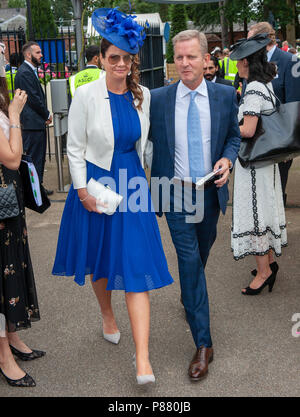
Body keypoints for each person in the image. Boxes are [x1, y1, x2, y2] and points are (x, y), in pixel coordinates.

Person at [52, 8, 173, 386]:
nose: (120, 64)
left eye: (126, 58)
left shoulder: (144, 95)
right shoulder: (85, 93)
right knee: (100, 258)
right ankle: (106, 313)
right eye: (113, 57)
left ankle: (142, 359)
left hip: (132, 183)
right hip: (95, 184)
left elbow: (142, 146)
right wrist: (82, 190)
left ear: (132, 59)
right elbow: (75, 147)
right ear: (101, 58)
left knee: (136, 267)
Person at [150, 30, 240, 381]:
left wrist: (227, 160)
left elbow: (233, 136)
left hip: (208, 194)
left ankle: (191, 298)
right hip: (174, 193)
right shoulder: (157, 98)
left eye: (191, 57)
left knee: (198, 258)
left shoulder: (223, 96)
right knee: (188, 260)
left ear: (206, 59)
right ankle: (204, 344)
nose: (184, 63)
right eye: (179, 57)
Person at [0, 43, 45, 388]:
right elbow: (13, 157)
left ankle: (12, 338)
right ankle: (4, 356)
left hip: (8, 205)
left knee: (12, 270)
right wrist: (15, 114)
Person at [230, 34, 287, 295]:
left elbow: (249, 129)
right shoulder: (265, 84)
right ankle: (270, 264)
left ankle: (263, 272)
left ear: (245, 63)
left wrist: (228, 128)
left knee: (255, 215)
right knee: (264, 209)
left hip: (253, 164)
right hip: (267, 162)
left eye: (238, 62)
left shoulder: (253, 88)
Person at [247, 22, 300, 207]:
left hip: (278, 143)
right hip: (255, 143)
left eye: (250, 41)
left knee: (275, 194)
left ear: (262, 41)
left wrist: (289, 146)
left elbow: (293, 104)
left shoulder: (290, 61)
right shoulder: (251, 63)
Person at [14, 42, 53, 196]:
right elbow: (34, 99)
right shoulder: (25, 72)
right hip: (32, 124)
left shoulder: (29, 71)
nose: (41, 55)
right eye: (38, 52)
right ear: (28, 55)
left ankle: (37, 188)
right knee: (34, 159)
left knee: (38, 158)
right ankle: (34, 191)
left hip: (35, 123)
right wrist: (47, 114)